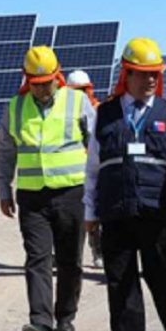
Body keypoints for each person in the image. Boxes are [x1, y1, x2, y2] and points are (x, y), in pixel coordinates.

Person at [84, 37, 166, 331]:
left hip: (156, 210)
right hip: (116, 211)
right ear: (127, 73)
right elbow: (92, 168)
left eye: (155, 75)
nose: (151, 80)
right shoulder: (105, 114)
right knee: (121, 284)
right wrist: (90, 212)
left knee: (164, 279)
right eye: (144, 74)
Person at [0, 47, 94, 331]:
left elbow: (97, 146)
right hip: (32, 197)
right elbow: (6, 151)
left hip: (71, 192)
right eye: (35, 83)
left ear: (57, 77)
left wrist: (98, 190)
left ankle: (65, 315)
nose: (41, 88)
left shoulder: (77, 102)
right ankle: (40, 321)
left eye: (47, 82)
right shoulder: (15, 107)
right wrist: (4, 188)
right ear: (27, 80)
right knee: (37, 259)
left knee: (70, 260)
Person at [67, 69, 103, 268]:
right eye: (76, 90)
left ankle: (98, 250)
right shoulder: (64, 111)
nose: (80, 95)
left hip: (97, 169)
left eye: (83, 90)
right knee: (75, 218)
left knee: (98, 213)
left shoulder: (101, 110)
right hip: (73, 172)